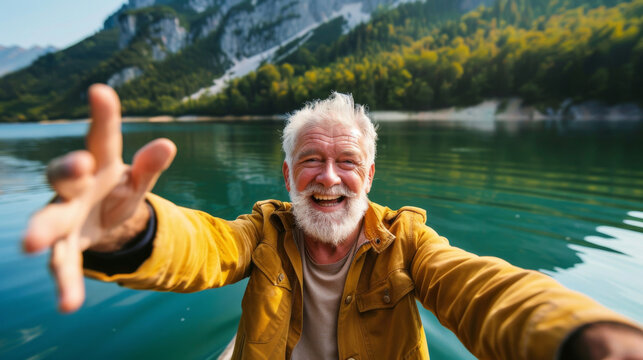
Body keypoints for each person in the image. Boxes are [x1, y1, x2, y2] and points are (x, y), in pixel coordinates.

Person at [23, 84, 643, 359]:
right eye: (310, 162)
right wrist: (132, 231)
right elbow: (202, 248)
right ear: (288, 177)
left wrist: (586, 335)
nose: (328, 178)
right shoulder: (261, 233)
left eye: (347, 162)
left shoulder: (410, 242)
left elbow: (479, 286)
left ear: (369, 178)